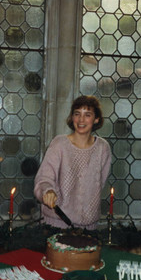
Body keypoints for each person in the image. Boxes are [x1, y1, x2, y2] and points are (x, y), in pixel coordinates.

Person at [34, 95, 112, 230]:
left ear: (96, 119)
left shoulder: (103, 148)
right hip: (55, 223)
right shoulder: (59, 144)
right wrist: (47, 191)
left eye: (87, 115)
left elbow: (100, 183)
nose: (81, 120)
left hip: (89, 226)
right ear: (72, 118)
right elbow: (43, 178)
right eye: (77, 114)